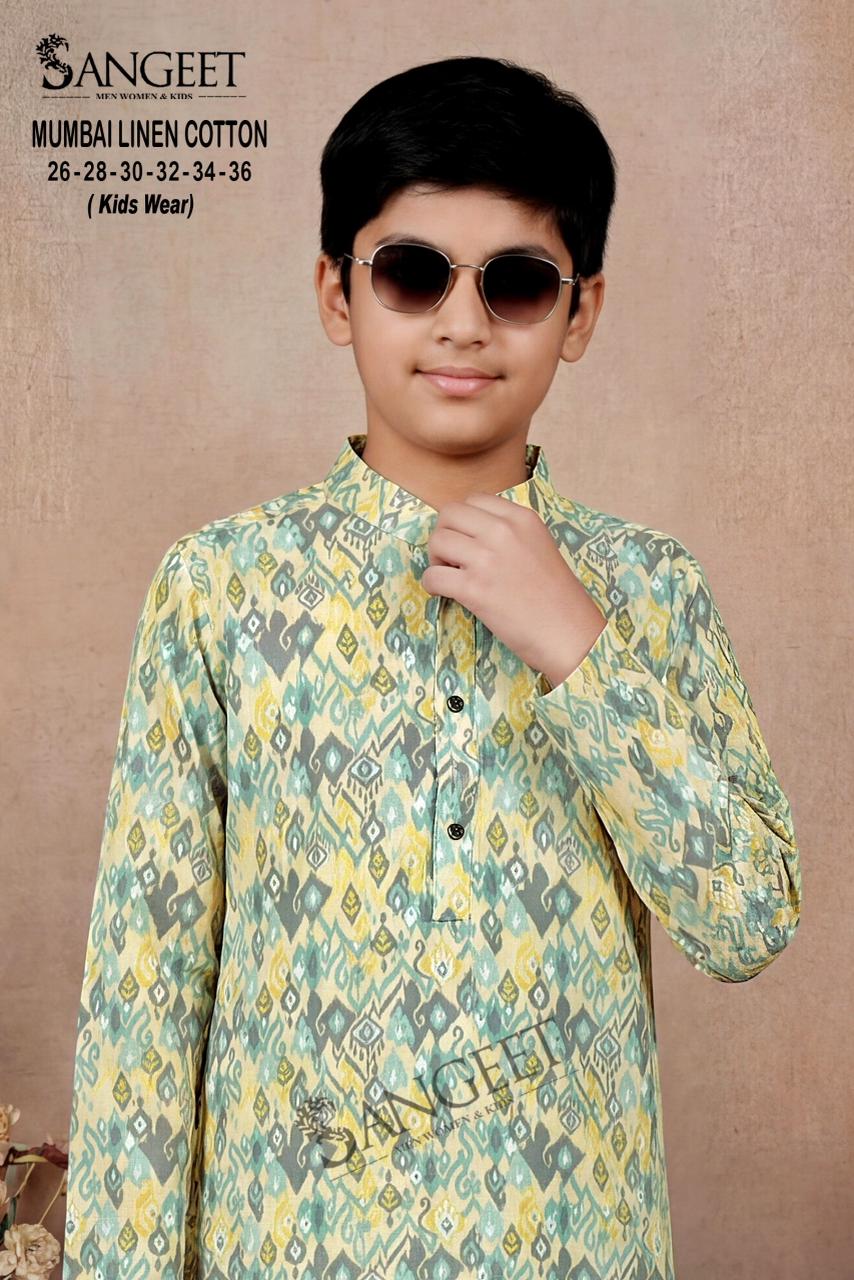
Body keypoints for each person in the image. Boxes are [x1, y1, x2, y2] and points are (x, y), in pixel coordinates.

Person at [61, 55, 801, 1280]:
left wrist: (576, 646)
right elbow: (143, 991)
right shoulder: (221, 588)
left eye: (515, 282)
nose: (463, 323)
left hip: (571, 1247)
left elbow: (746, 918)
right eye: (413, 273)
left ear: (579, 313)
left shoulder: (645, 588)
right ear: (338, 293)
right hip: (292, 1248)